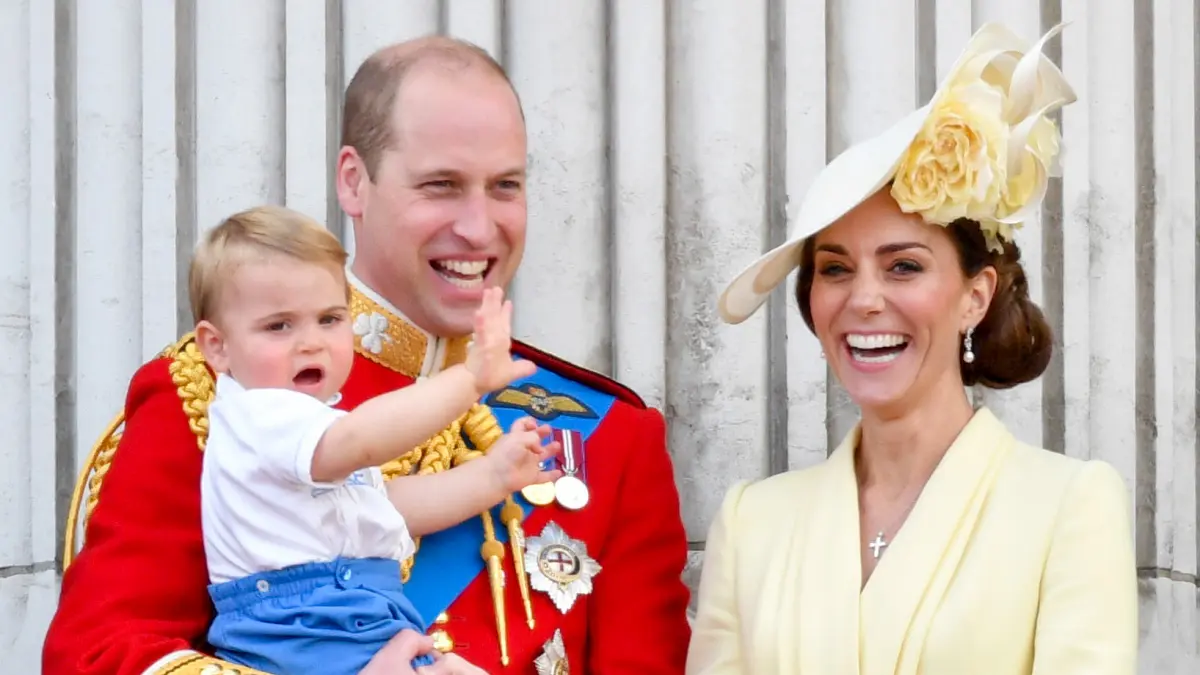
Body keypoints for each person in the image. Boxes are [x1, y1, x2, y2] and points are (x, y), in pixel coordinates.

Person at [43, 35, 692, 675]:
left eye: (505, 186)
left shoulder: (611, 437)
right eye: (441, 185)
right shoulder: (218, 392)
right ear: (354, 182)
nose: (478, 227)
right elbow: (94, 656)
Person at [687, 22, 1137, 675]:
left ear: (975, 296)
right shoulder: (751, 522)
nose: (864, 299)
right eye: (835, 269)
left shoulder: (1070, 505)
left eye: (903, 266)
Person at [188, 205, 563, 675]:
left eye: (329, 319)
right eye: (279, 325)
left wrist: (493, 476)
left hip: (347, 619)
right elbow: (360, 440)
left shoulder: (310, 426)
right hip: (306, 627)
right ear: (217, 346)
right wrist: (469, 379)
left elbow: (390, 505)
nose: (311, 341)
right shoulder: (259, 413)